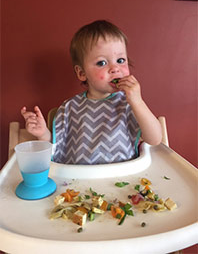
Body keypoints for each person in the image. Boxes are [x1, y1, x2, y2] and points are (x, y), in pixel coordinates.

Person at [21, 19, 162, 164]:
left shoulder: (129, 103)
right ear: (82, 73)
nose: (115, 68)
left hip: (123, 178)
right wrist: (43, 134)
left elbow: (155, 139)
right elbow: (59, 149)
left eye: (120, 60)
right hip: (78, 181)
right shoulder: (70, 108)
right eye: (102, 63)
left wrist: (137, 102)